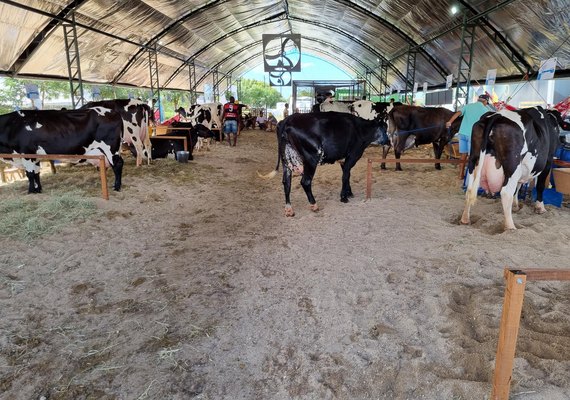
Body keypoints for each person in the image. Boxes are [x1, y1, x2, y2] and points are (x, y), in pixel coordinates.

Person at [446, 93, 492, 179]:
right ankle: (471, 178)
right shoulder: (485, 110)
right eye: (486, 102)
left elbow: (458, 113)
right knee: (473, 156)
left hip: (462, 134)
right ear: (485, 101)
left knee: (463, 155)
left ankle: (460, 175)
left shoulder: (468, 106)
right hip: (473, 136)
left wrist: (450, 122)